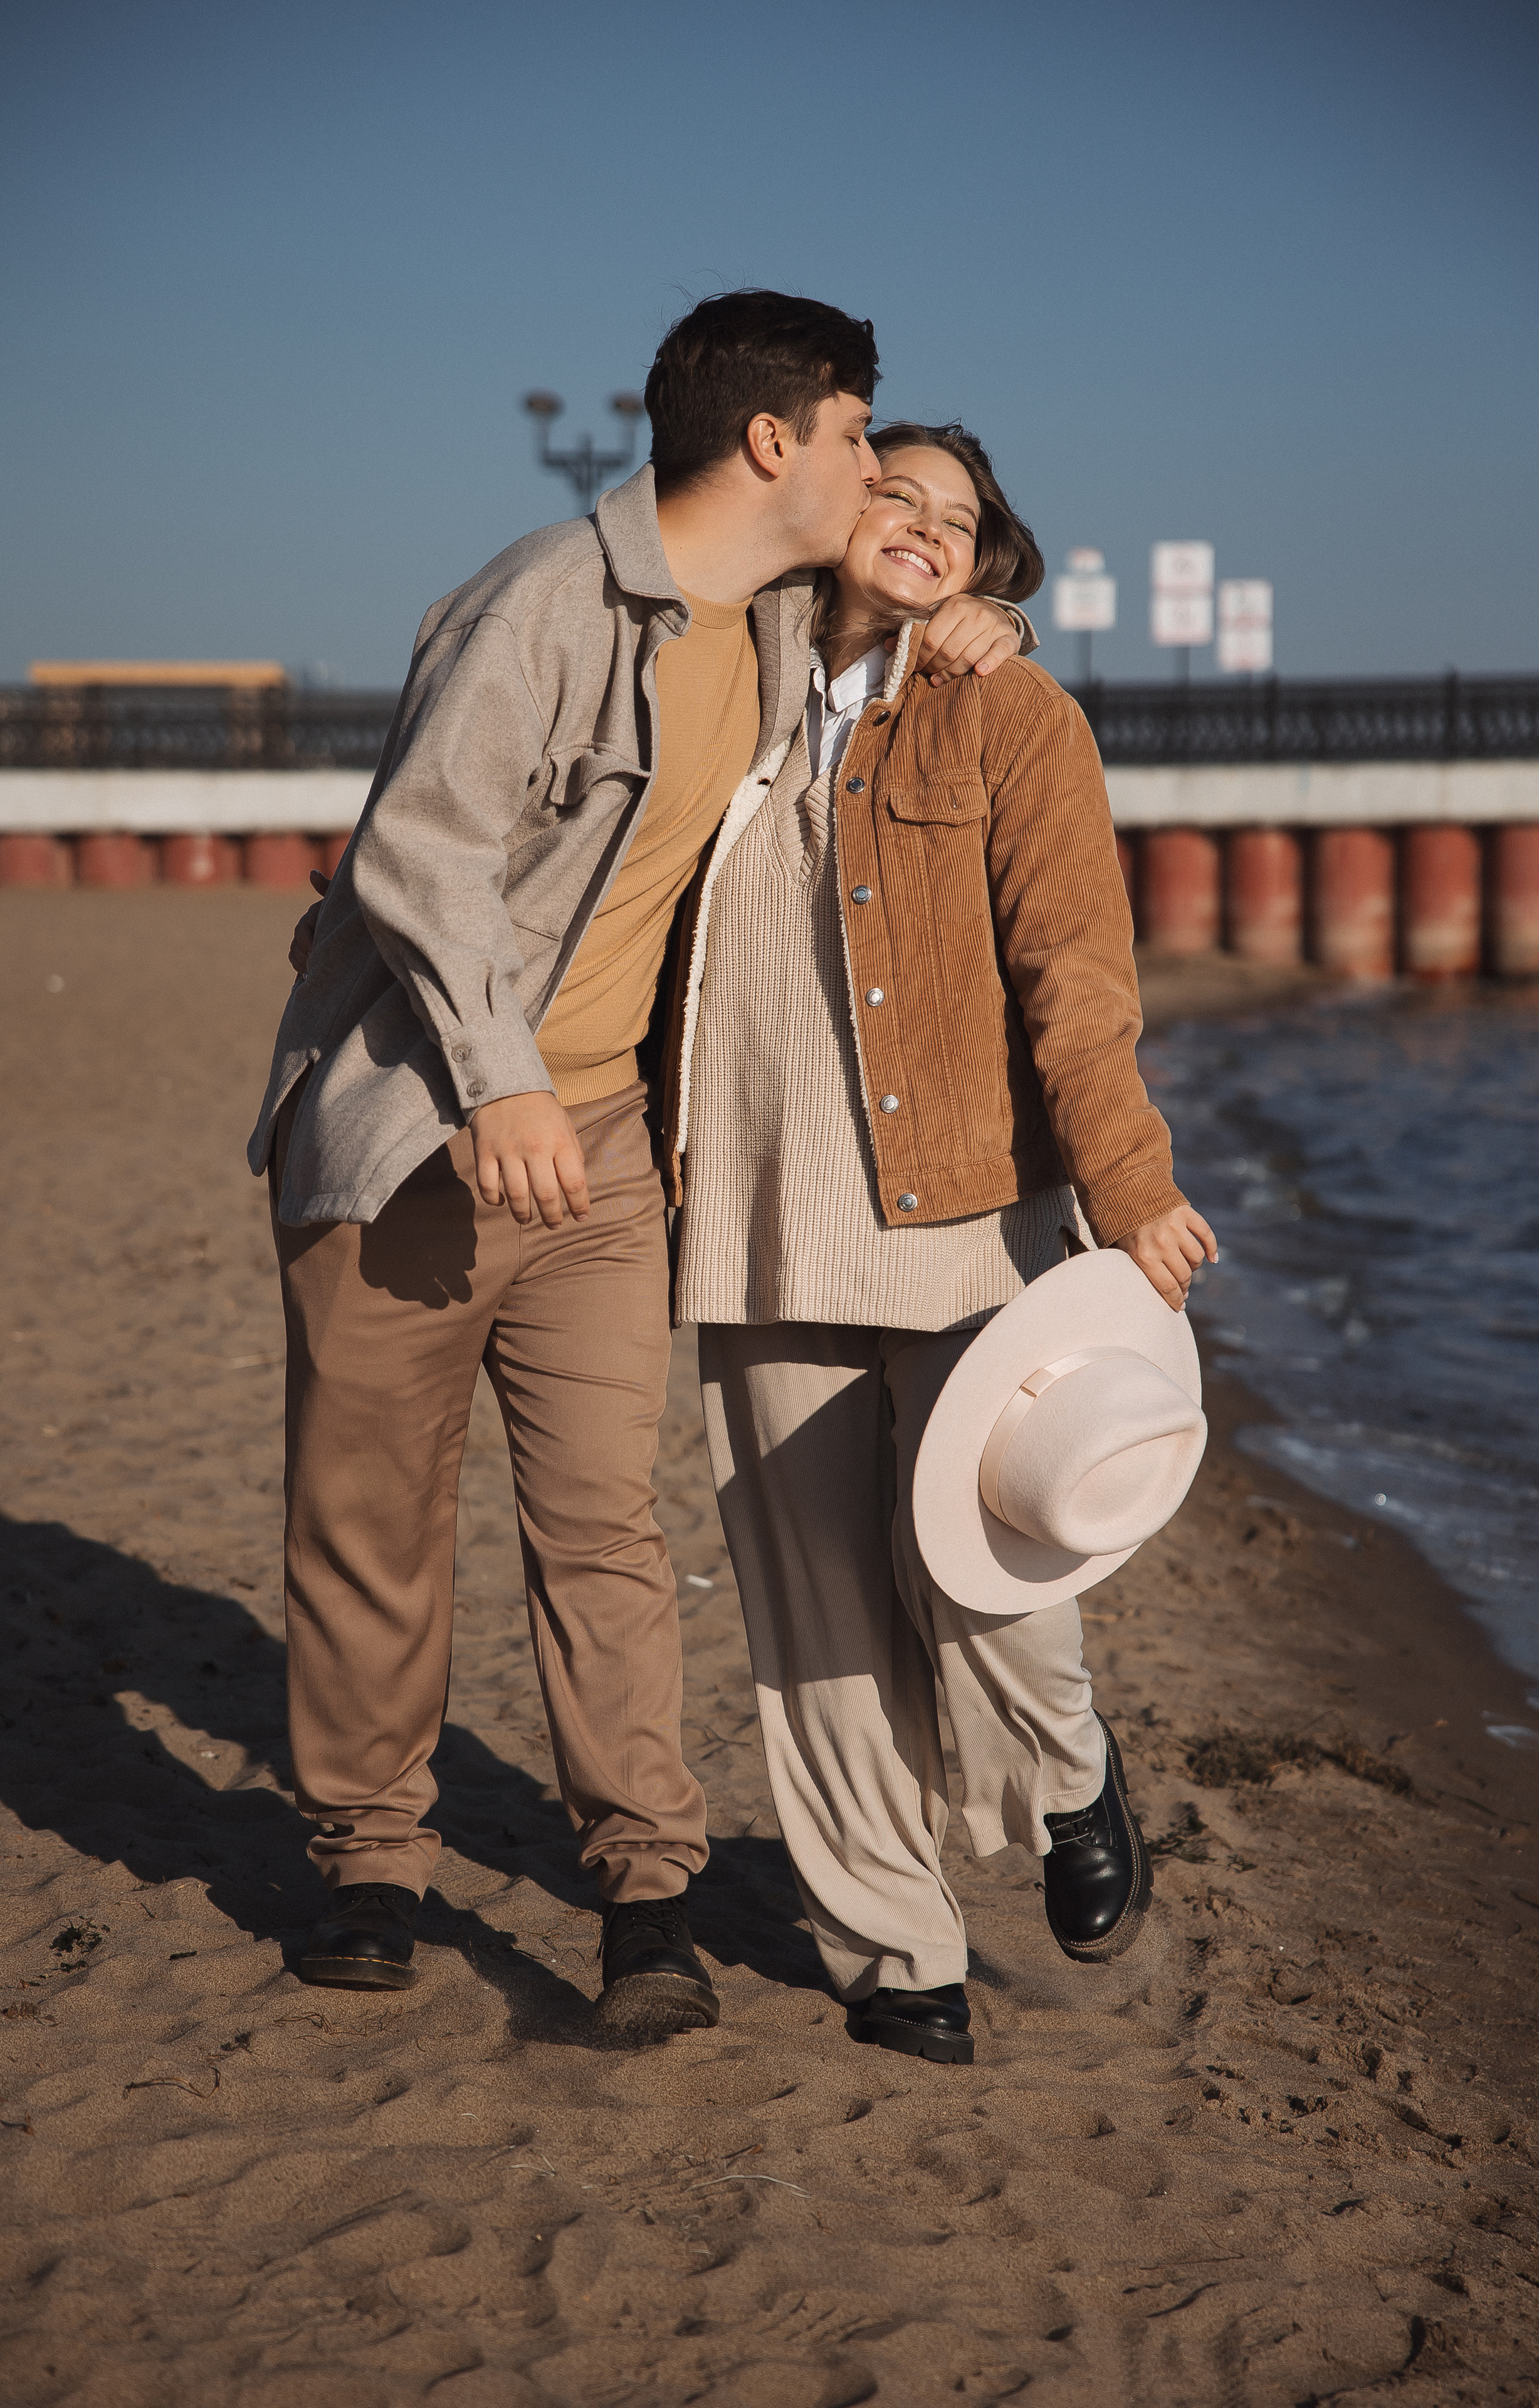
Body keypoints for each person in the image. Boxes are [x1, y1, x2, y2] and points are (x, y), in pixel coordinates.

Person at [252, 297, 1031, 2032]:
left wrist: (981, 623)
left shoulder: (757, 628)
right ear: (774, 442)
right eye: (855, 438)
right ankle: (371, 1861)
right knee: (373, 1520)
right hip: (415, 1135)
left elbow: (880, 669)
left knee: (602, 1523)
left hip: (606, 1151)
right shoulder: (542, 603)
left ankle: (645, 1896)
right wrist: (498, 1082)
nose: (872, 471)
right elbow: (417, 852)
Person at [657, 421, 1219, 2064]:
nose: (922, 528)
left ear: (987, 567)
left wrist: (1129, 1181)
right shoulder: (724, 680)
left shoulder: (1010, 709)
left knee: (991, 1573)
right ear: (828, 510)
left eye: (958, 522)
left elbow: (1078, 970)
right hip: (754, 1207)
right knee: (812, 1613)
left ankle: (1068, 1766)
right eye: (893, 493)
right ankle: (896, 1953)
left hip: (960, 1206)